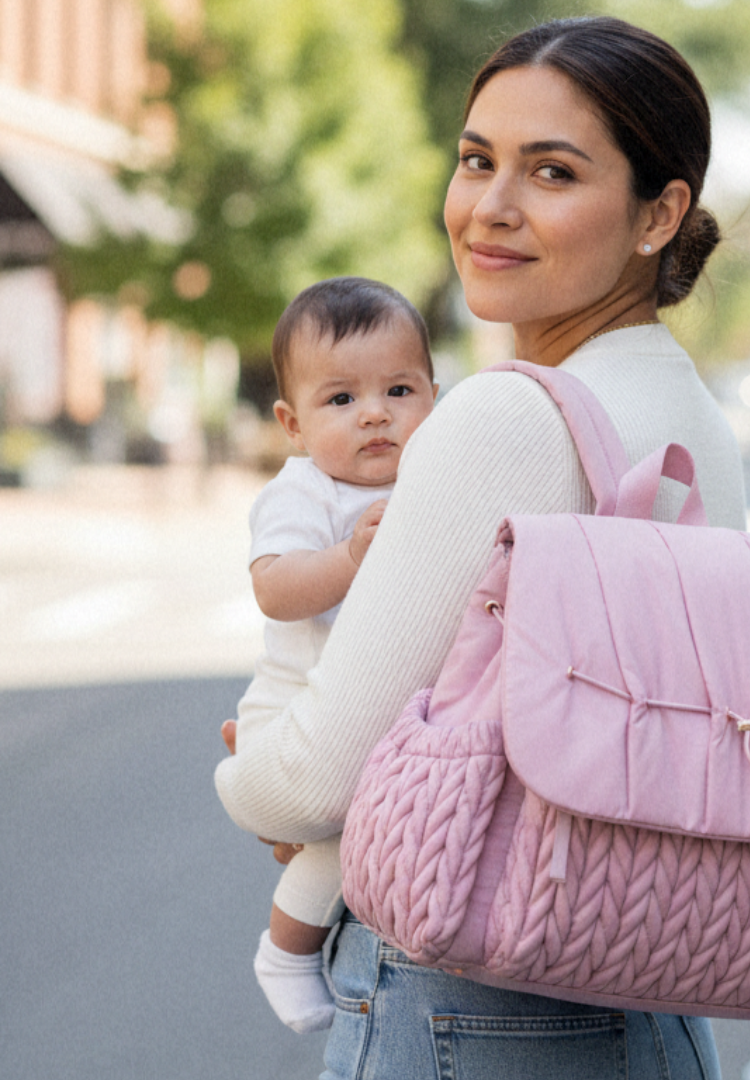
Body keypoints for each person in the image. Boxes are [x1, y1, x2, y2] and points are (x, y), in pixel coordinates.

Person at [216, 16, 746, 1078]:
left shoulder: (508, 417)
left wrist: (248, 781)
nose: (490, 207)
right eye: (475, 160)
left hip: (472, 1006)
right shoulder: (686, 407)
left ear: (658, 213)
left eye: (552, 171)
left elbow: (315, 782)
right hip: (644, 996)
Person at [224, 276, 438, 1033]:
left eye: (400, 390)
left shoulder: (431, 482)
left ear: (435, 398)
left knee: (374, 824)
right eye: (341, 399)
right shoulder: (304, 494)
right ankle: (286, 951)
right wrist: (349, 556)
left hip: (370, 717)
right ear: (292, 423)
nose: (375, 413)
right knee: (351, 828)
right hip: (294, 714)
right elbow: (275, 589)